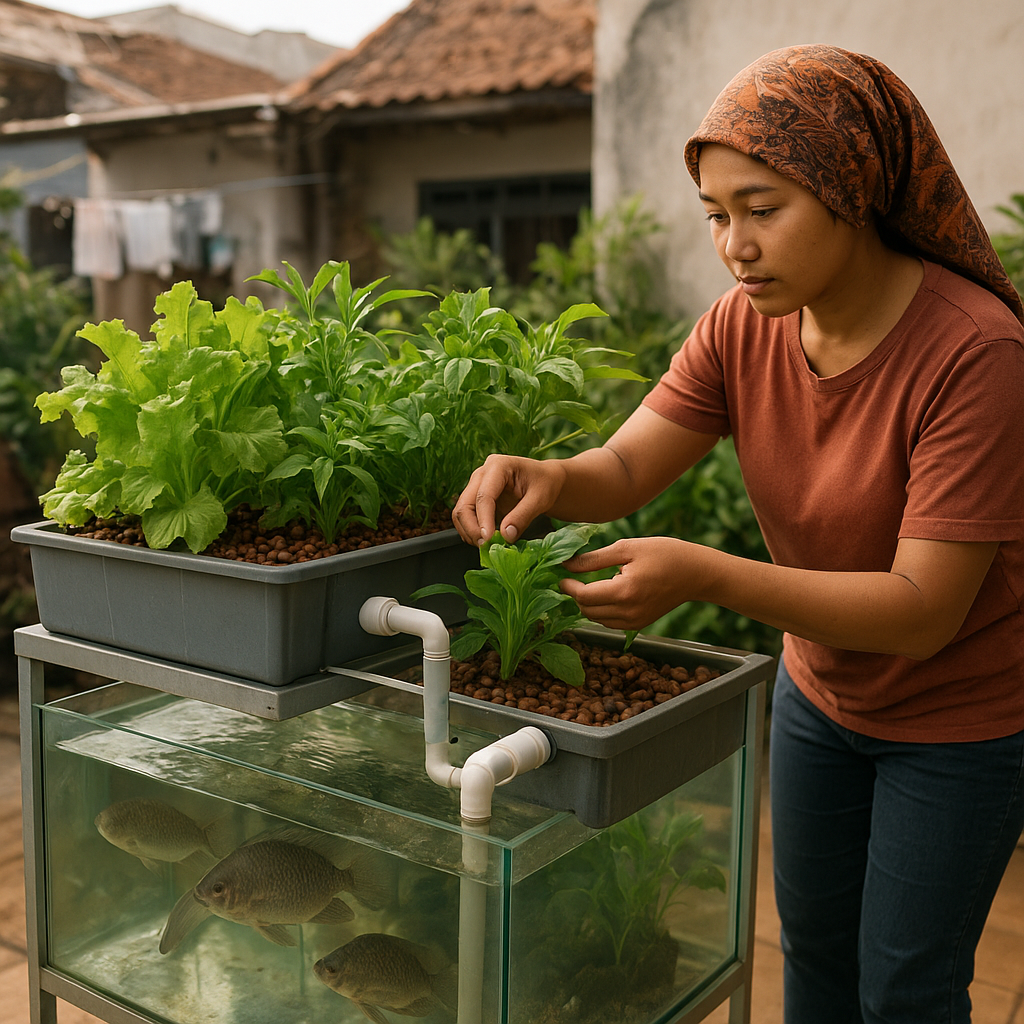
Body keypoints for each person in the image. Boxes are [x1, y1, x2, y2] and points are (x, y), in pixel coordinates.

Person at [451, 44, 1024, 1024]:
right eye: (716, 215)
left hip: (959, 723)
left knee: (904, 988)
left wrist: (703, 575)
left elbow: (924, 611)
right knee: (811, 957)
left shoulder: (975, 353)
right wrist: (547, 475)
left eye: (762, 209)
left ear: (851, 187)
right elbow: (628, 468)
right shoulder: (741, 327)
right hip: (819, 696)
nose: (734, 245)